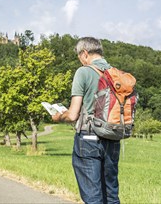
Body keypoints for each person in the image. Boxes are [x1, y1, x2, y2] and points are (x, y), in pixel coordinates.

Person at [52, 37, 121, 204]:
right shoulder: (115, 73)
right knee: (111, 196)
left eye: (78, 56)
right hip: (113, 139)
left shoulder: (83, 72)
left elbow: (73, 115)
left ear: (84, 54)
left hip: (89, 140)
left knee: (93, 197)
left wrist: (58, 116)